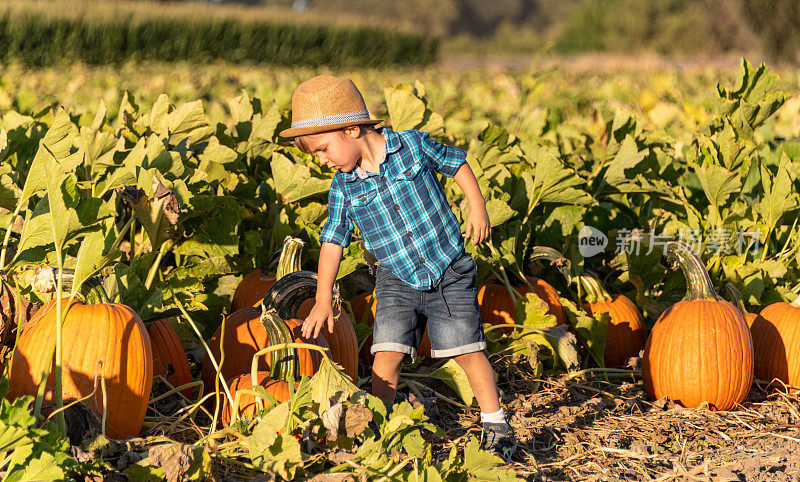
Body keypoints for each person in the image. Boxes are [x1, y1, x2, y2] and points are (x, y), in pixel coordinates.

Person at [280, 74, 517, 461]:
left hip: (448, 272)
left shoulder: (412, 146)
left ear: (352, 129)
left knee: (468, 351)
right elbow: (332, 240)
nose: (322, 161)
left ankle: (495, 423)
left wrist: (477, 207)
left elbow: (456, 163)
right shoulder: (343, 187)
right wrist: (323, 298)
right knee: (384, 354)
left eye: (323, 150)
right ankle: (382, 427)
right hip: (395, 278)